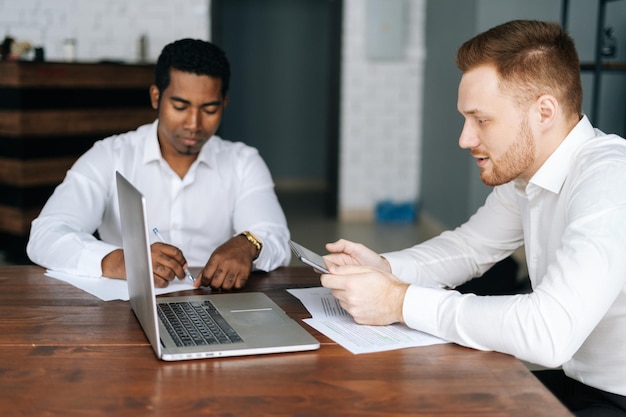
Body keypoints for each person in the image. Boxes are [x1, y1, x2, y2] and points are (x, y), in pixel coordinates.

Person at [320, 20, 626, 416]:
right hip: (579, 384)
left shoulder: (610, 179)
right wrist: (384, 268)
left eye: (482, 120)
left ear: (544, 111)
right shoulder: (529, 172)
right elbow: (469, 247)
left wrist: (398, 301)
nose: (465, 139)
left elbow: (550, 331)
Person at [27, 39, 291, 290]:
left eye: (209, 110)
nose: (193, 124)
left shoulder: (243, 162)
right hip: (124, 309)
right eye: (180, 106)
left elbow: (276, 237)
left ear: (224, 104)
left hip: (214, 304)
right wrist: (123, 260)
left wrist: (248, 245)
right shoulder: (111, 155)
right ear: (156, 97)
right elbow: (45, 235)